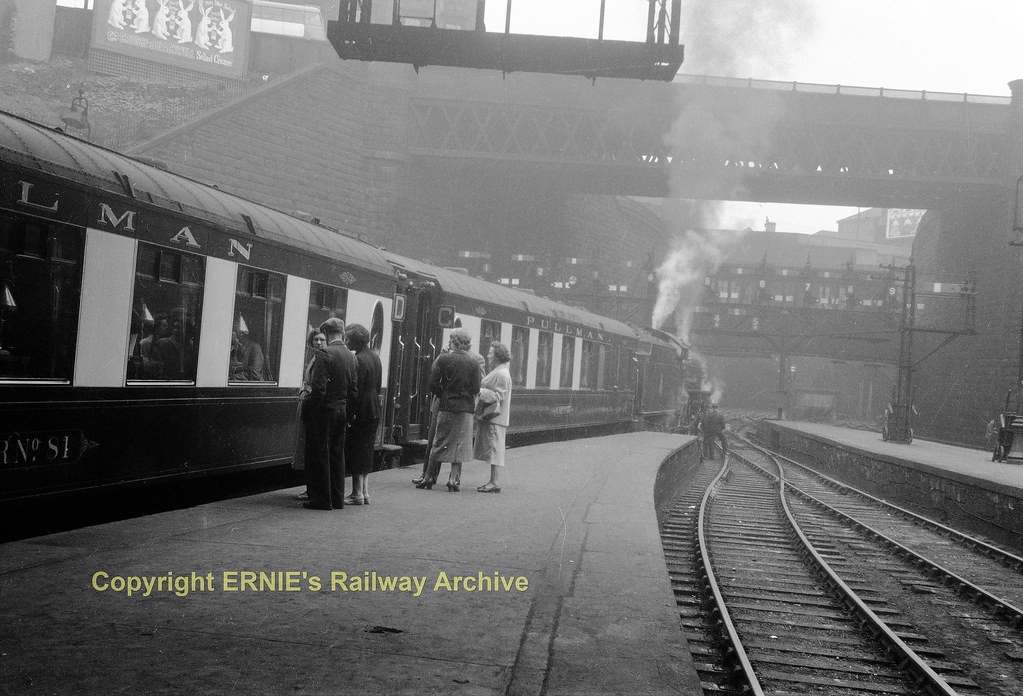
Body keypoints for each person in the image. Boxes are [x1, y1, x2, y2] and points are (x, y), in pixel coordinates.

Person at [412, 333, 486, 486]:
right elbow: (476, 388)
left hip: (446, 405)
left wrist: (443, 394)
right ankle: (453, 480)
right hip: (465, 408)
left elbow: (432, 383)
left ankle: (428, 478)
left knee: (438, 441)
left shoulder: (444, 358)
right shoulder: (473, 362)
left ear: (453, 342)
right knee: (459, 443)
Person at [301, 318, 358, 510]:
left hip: (324, 411)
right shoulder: (351, 356)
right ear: (341, 332)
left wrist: (311, 409)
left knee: (320, 454)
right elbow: (354, 391)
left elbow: (319, 387)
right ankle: (337, 499)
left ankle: (321, 500)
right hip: (341, 410)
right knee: (337, 455)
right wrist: (348, 414)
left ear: (326, 333)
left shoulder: (325, 353)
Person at [344, 323, 382, 506]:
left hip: (362, 410)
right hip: (374, 408)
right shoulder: (375, 357)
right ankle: (365, 492)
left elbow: (355, 391)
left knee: (357, 450)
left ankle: (356, 494)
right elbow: (377, 384)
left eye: (348, 339)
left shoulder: (358, 360)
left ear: (355, 341)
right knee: (366, 450)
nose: (346, 341)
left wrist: (350, 414)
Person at [474, 341, 512, 493]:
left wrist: (481, 391)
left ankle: (494, 482)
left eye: (490, 353)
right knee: (493, 449)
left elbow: (499, 395)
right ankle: (492, 481)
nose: (488, 355)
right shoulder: (500, 370)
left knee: (495, 450)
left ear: (497, 356)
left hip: (496, 418)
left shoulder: (501, 373)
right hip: (495, 418)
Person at [295, 329, 327, 502]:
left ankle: (312, 490)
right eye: (316, 339)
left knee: (313, 449)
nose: (319, 342)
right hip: (308, 400)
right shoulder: (315, 357)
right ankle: (310, 488)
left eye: (322, 339)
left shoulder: (321, 358)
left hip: (313, 404)